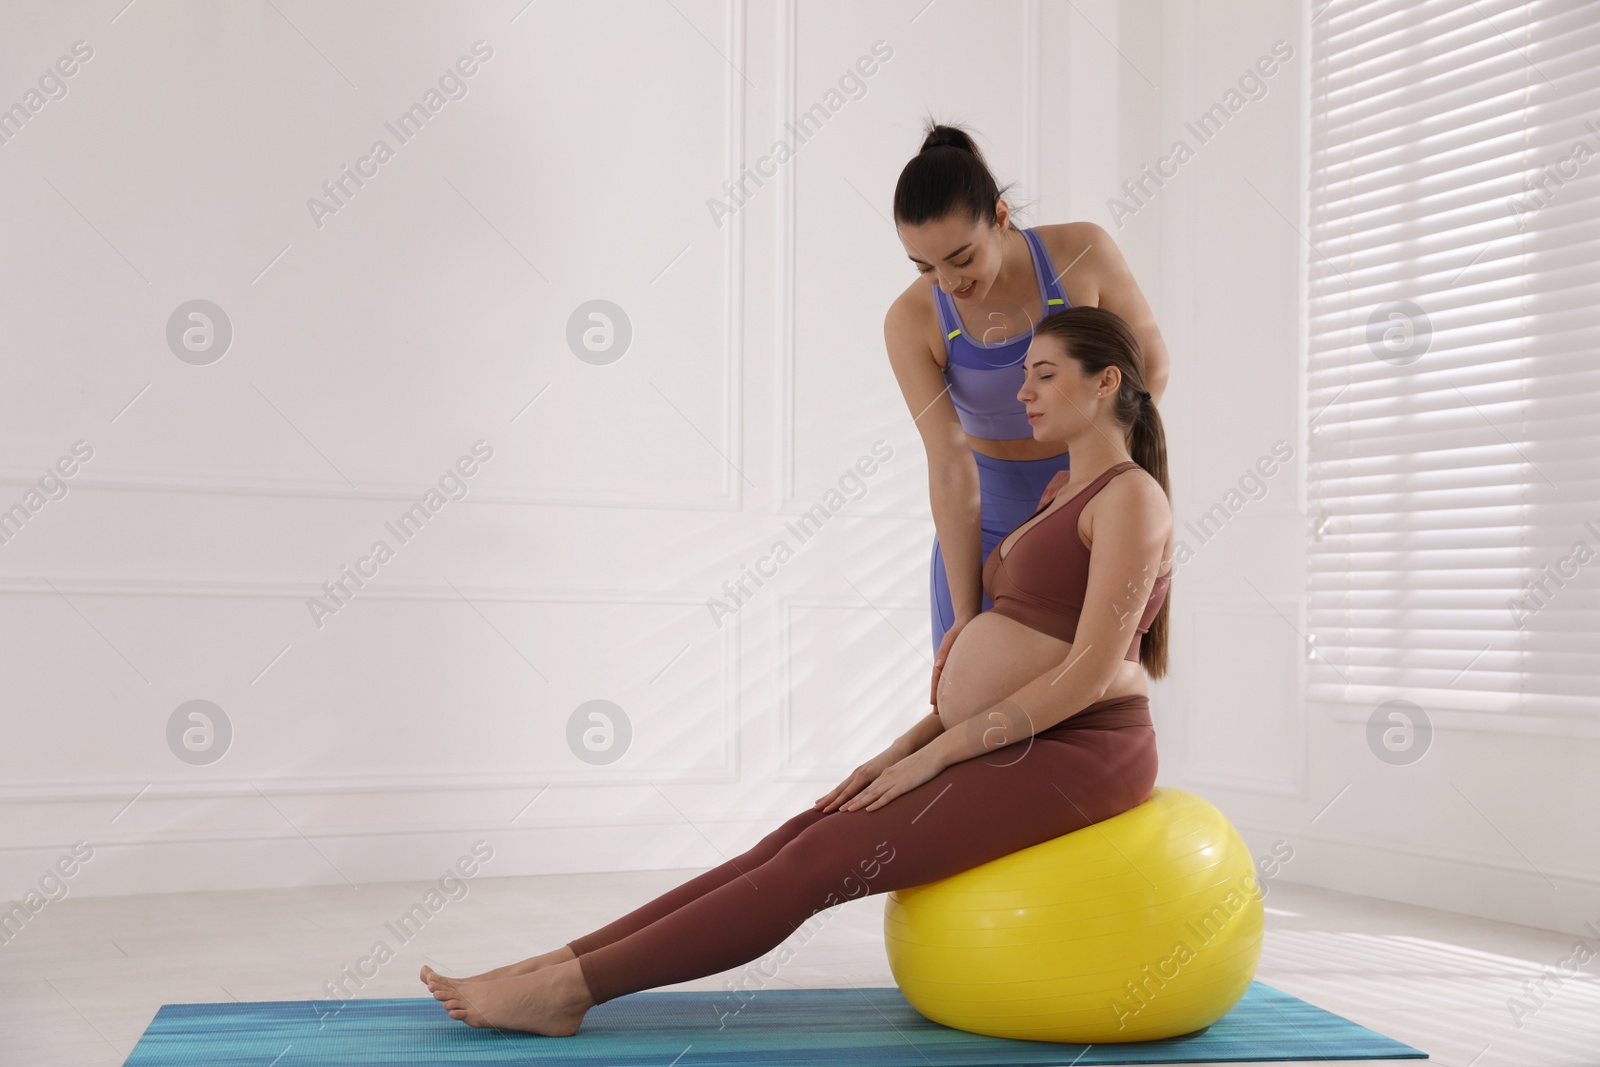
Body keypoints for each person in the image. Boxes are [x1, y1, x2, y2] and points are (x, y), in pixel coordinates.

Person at [420, 304, 1175, 1037]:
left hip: (1085, 749)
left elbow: (1086, 672)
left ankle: (568, 992)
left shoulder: (1132, 498)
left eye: (1044, 375)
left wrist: (936, 755)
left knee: (817, 860)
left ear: (1106, 383)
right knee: (798, 833)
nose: (1023, 392)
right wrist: (895, 753)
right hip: (1008, 733)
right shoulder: (1058, 492)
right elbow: (1010, 666)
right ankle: (555, 964)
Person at [886, 120, 1170, 711]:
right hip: (983, 518)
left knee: (1079, 702)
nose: (948, 283)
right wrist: (967, 616)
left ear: (1001, 215)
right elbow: (948, 463)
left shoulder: (1080, 253)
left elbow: (1151, 371)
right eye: (925, 267)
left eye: (960, 258)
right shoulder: (912, 320)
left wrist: (1094, 478)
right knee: (964, 707)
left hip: (1084, 508)